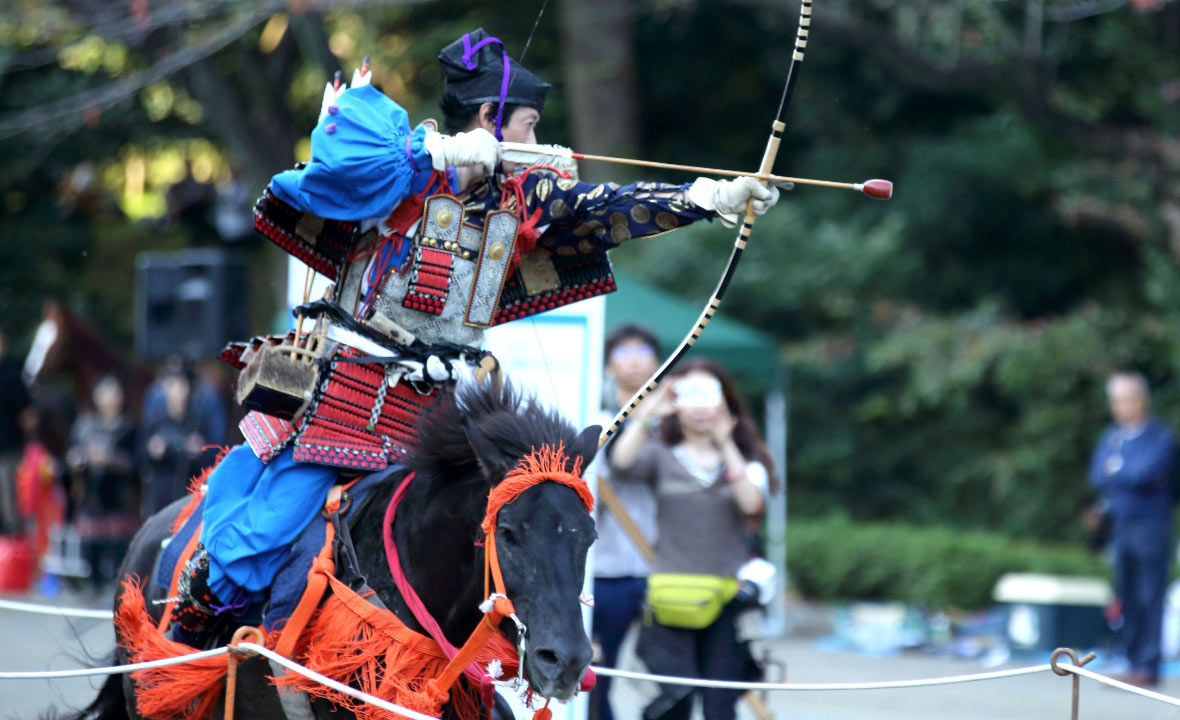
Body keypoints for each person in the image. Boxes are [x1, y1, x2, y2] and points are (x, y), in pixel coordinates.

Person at [168, 27, 783, 647]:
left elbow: (603, 208)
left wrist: (707, 197)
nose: (536, 143)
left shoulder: (520, 195)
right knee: (269, 526)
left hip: (437, 418)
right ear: (491, 116)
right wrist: (432, 155)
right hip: (349, 400)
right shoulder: (399, 165)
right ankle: (206, 621)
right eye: (529, 125)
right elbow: (319, 175)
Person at [609, 358, 775, 720]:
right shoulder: (659, 454)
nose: (700, 407)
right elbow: (620, 462)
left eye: (709, 394)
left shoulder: (747, 461)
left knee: (721, 704)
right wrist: (651, 412)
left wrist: (726, 444)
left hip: (728, 598)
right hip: (671, 596)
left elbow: (751, 505)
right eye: (690, 393)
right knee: (673, 700)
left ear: (726, 401)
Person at [591, 324, 661, 720]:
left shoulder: (676, 424)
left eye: (643, 351)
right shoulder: (595, 417)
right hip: (604, 569)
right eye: (623, 352)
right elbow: (620, 458)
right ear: (606, 365)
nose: (634, 361)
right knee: (599, 674)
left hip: (659, 568)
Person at [1089, 371, 1175, 688]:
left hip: (1152, 526)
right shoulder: (1111, 437)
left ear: (1142, 400)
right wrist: (1124, 474)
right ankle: (1130, 659)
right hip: (1121, 526)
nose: (1123, 406)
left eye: (1128, 398)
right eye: (1117, 400)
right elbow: (1099, 475)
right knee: (1125, 593)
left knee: (1150, 594)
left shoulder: (1161, 437)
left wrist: (1119, 471)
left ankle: (1148, 666)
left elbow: (1145, 472)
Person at [67, 375, 138, 593]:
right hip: (91, 494)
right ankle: (93, 585)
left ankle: (116, 590)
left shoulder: (129, 428)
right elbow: (71, 456)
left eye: (113, 393)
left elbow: (136, 463)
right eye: (104, 393)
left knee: (118, 549)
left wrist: (110, 458)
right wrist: (80, 458)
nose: (108, 399)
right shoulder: (85, 426)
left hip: (117, 496)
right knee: (91, 548)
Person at [140, 367, 204, 517]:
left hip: (190, 496)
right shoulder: (155, 421)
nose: (178, 392)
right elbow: (140, 456)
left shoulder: (198, 420)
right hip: (160, 499)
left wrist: (198, 449)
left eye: (182, 386)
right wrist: (153, 450)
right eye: (173, 386)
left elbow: (213, 454)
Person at [0, 329, 31, 536]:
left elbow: (28, 417)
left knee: (10, 507)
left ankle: (15, 553)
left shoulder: (11, 376)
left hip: (8, 452)